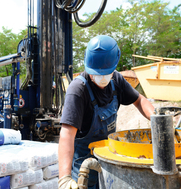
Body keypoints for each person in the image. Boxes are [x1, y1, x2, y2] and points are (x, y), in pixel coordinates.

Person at [58, 35, 155, 189]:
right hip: (84, 170)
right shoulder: (78, 91)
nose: (102, 78)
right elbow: (67, 134)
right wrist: (64, 178)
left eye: (106, 73)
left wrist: (156, 120)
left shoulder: (117, 81)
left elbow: (139, 100)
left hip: (108, 165)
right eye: (97, 74)